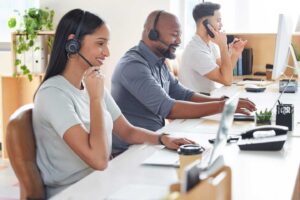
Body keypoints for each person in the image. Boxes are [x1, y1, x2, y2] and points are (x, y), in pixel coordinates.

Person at [32, 9, 194, 198]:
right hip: (74, 192)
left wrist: (162, 139)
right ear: (73, 44)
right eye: (100, 44)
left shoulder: (90, 84)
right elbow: (99, 160)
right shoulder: (53, 94)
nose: (107, 52)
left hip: (102, 181)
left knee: (173, 186)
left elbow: (127, 131)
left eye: (107, 44)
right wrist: (95, 99)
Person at [111, 10, 256, 154]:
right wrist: (223, 107)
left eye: (179, 35)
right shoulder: (133, 65)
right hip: (131, 151)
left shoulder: (159, 61)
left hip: (156, 141)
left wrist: (225, 101)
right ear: (152, 33)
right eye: (174, 35)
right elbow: (169, 109)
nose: (179, 41)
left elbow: (183, 94)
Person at [179, 2, 247, 94]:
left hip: (209, 98)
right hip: (198, 104)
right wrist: (223, 46)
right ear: (206, 24)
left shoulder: (209, 44)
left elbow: (224, 70)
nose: (221, 25)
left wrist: (235, 54)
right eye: (218, 20)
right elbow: (227, 80)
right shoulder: (196, 51)